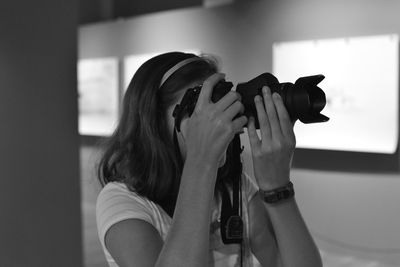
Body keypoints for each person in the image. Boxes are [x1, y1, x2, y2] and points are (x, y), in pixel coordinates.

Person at [96, 52, 322, 267]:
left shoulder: (232, 187)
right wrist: (202, 161)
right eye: (201, 111)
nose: (219, 122)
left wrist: (277, 187)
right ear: (152, 121)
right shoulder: (121, 201)